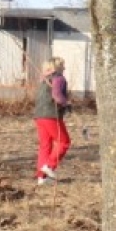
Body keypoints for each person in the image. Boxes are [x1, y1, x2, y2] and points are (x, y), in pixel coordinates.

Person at [33, 57, 72, 185]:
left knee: (45, 145)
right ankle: (49, 166)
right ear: (56, 67)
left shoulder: (44, 80)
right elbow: (57, 96)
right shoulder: (59, 78)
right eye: (62, 66)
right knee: (64, 142)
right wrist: (66, 104)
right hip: (51, 115)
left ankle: (42, 177)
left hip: (39, 116)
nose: (64, 68)